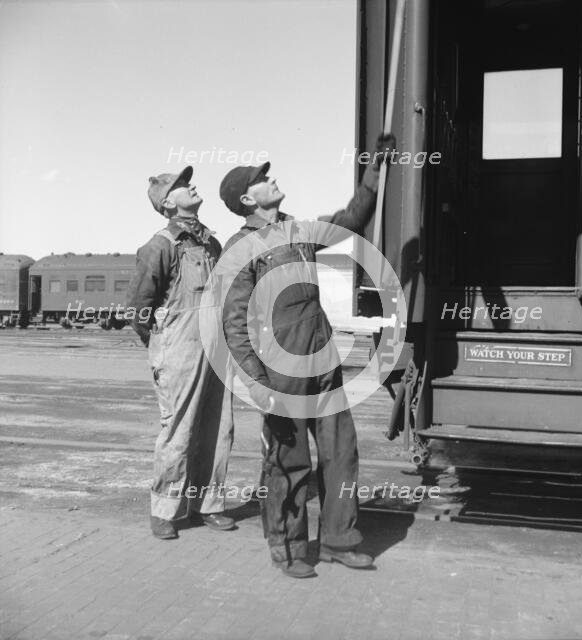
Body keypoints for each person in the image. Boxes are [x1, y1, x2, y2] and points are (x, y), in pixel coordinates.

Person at [218, 134, 395, 577]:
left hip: (323, 359)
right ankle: (289, 549)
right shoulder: (241, 249)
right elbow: (234, 325)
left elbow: (350, 220)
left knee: (341, 453)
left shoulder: (300, 231)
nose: (272, 178)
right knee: (287, 461)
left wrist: (374, 172)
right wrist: (258, 384)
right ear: (247, 199)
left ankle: (339, 539)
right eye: (263, 179)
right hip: (281, 370)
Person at [127, 165, 235, 539]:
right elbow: (138, 307)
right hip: (180, 349)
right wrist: (163, 343)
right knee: (179, 428)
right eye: (184, 186)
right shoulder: (159, 246)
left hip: (216, 348)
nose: (192, 188)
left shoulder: (210, 242)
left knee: (218, 428)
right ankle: (165, 510)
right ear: (169, 204)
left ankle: (208, 504)